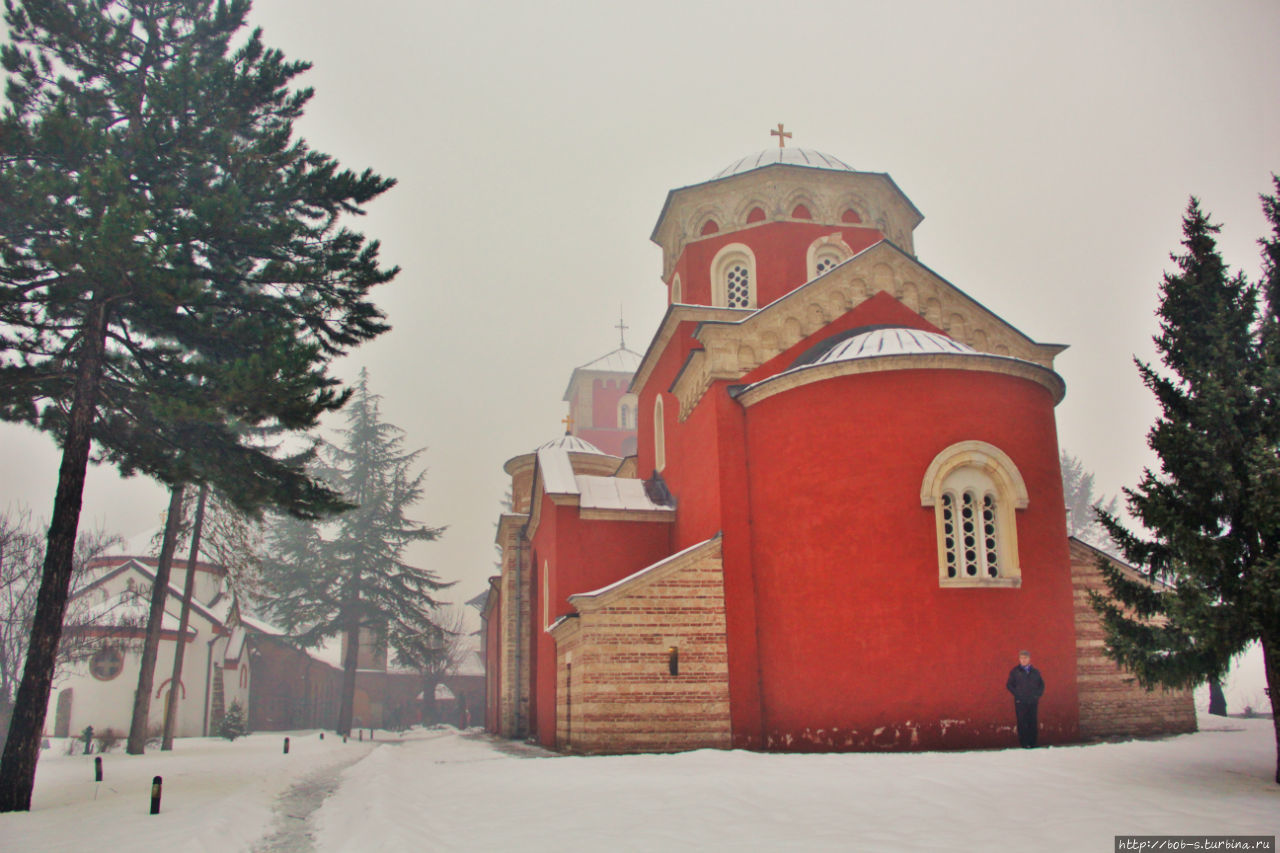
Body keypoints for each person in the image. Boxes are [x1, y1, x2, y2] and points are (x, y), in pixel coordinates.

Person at [1006, 649, 1044, 748]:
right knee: (1022, 722)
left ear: (1029, 659)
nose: (1023, 660)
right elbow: (1009, 685)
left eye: (1025, 658)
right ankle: (1024, 743)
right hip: (1020, 701)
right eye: (1021, 658)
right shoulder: (1015, 671)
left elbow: (1041, 685)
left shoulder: (1035, 672)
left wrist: (1037, 695)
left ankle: (1033, 743)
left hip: (1033, 701)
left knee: (1032, 721)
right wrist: (1018, 694)